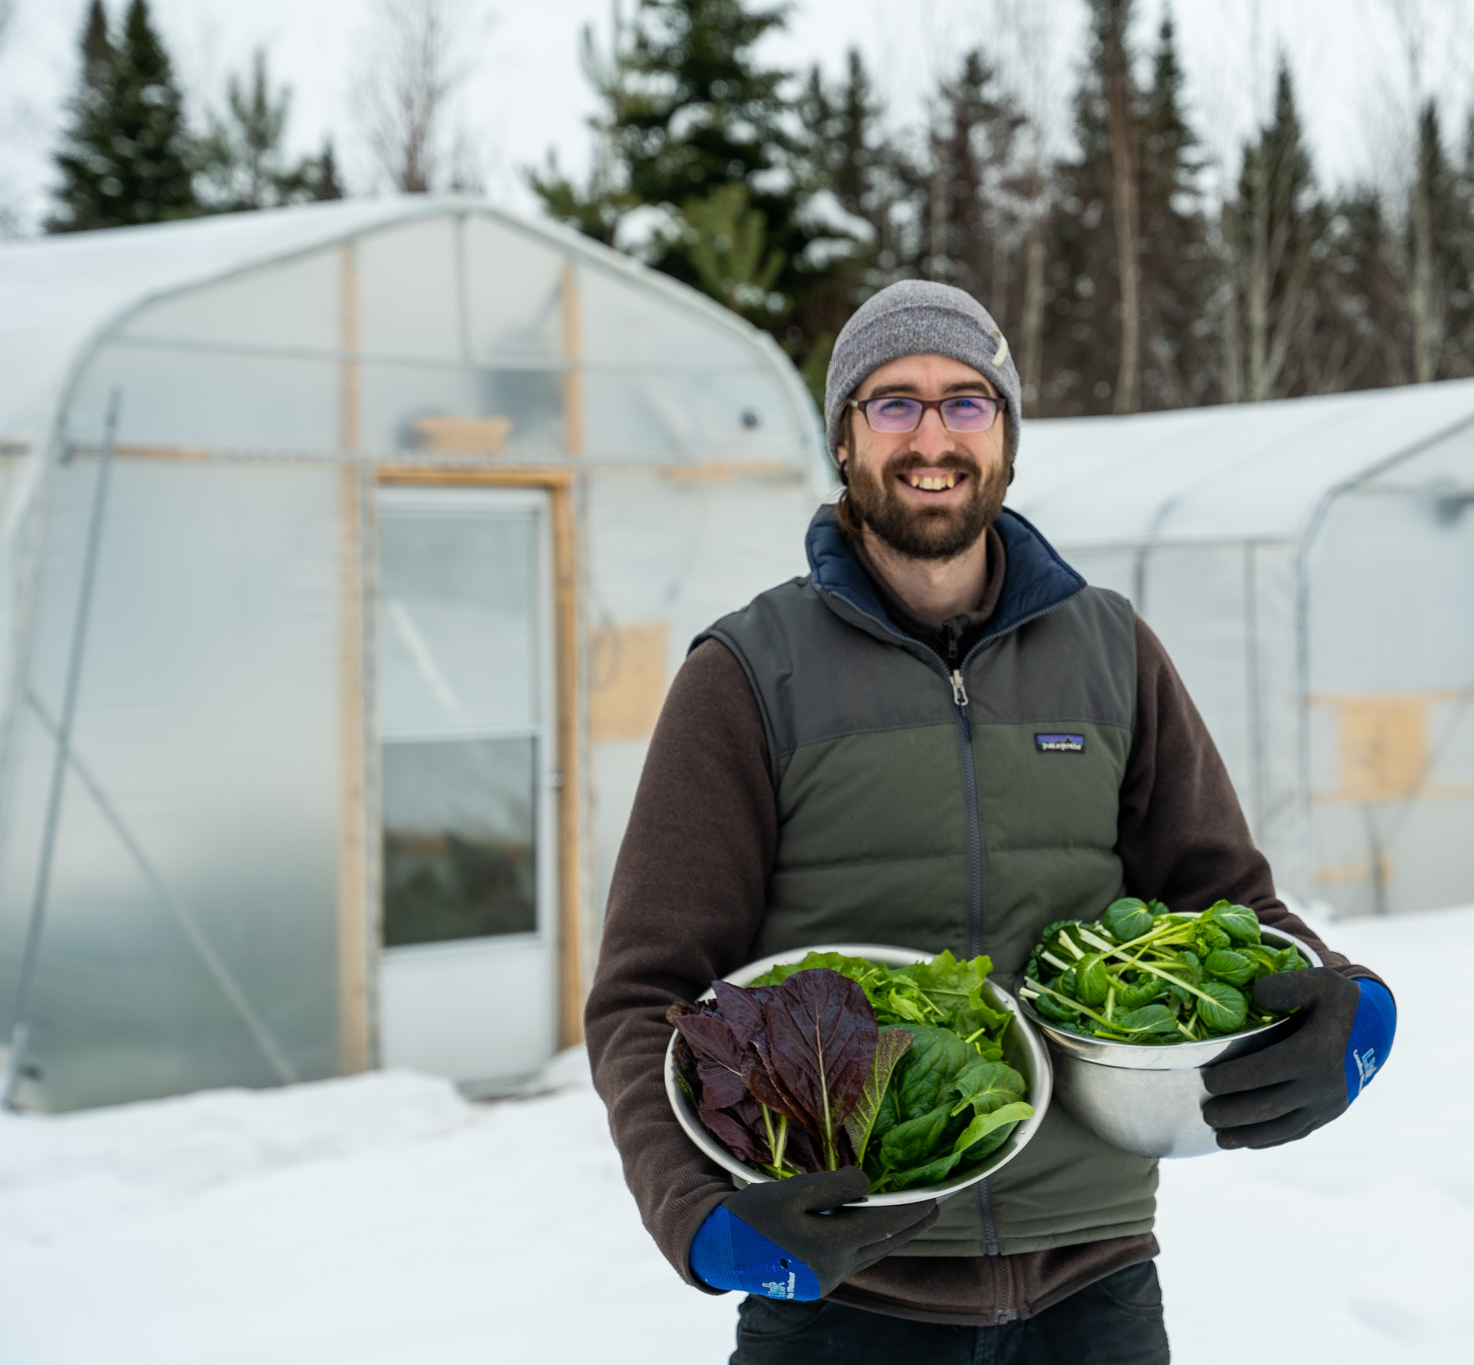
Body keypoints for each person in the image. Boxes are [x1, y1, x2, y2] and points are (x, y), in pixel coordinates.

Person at [586, 280, 1397, 1364]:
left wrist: (1349, 1004)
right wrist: (696, 1213)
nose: (933, 438)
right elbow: (646, 991)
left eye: (966, 402)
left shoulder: (1110, 650)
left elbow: (1227, 900)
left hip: (1095, 1283)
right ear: (842, 440)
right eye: (893, 403)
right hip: (845, 1291)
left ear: (1006, 437)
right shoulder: (746, 673)